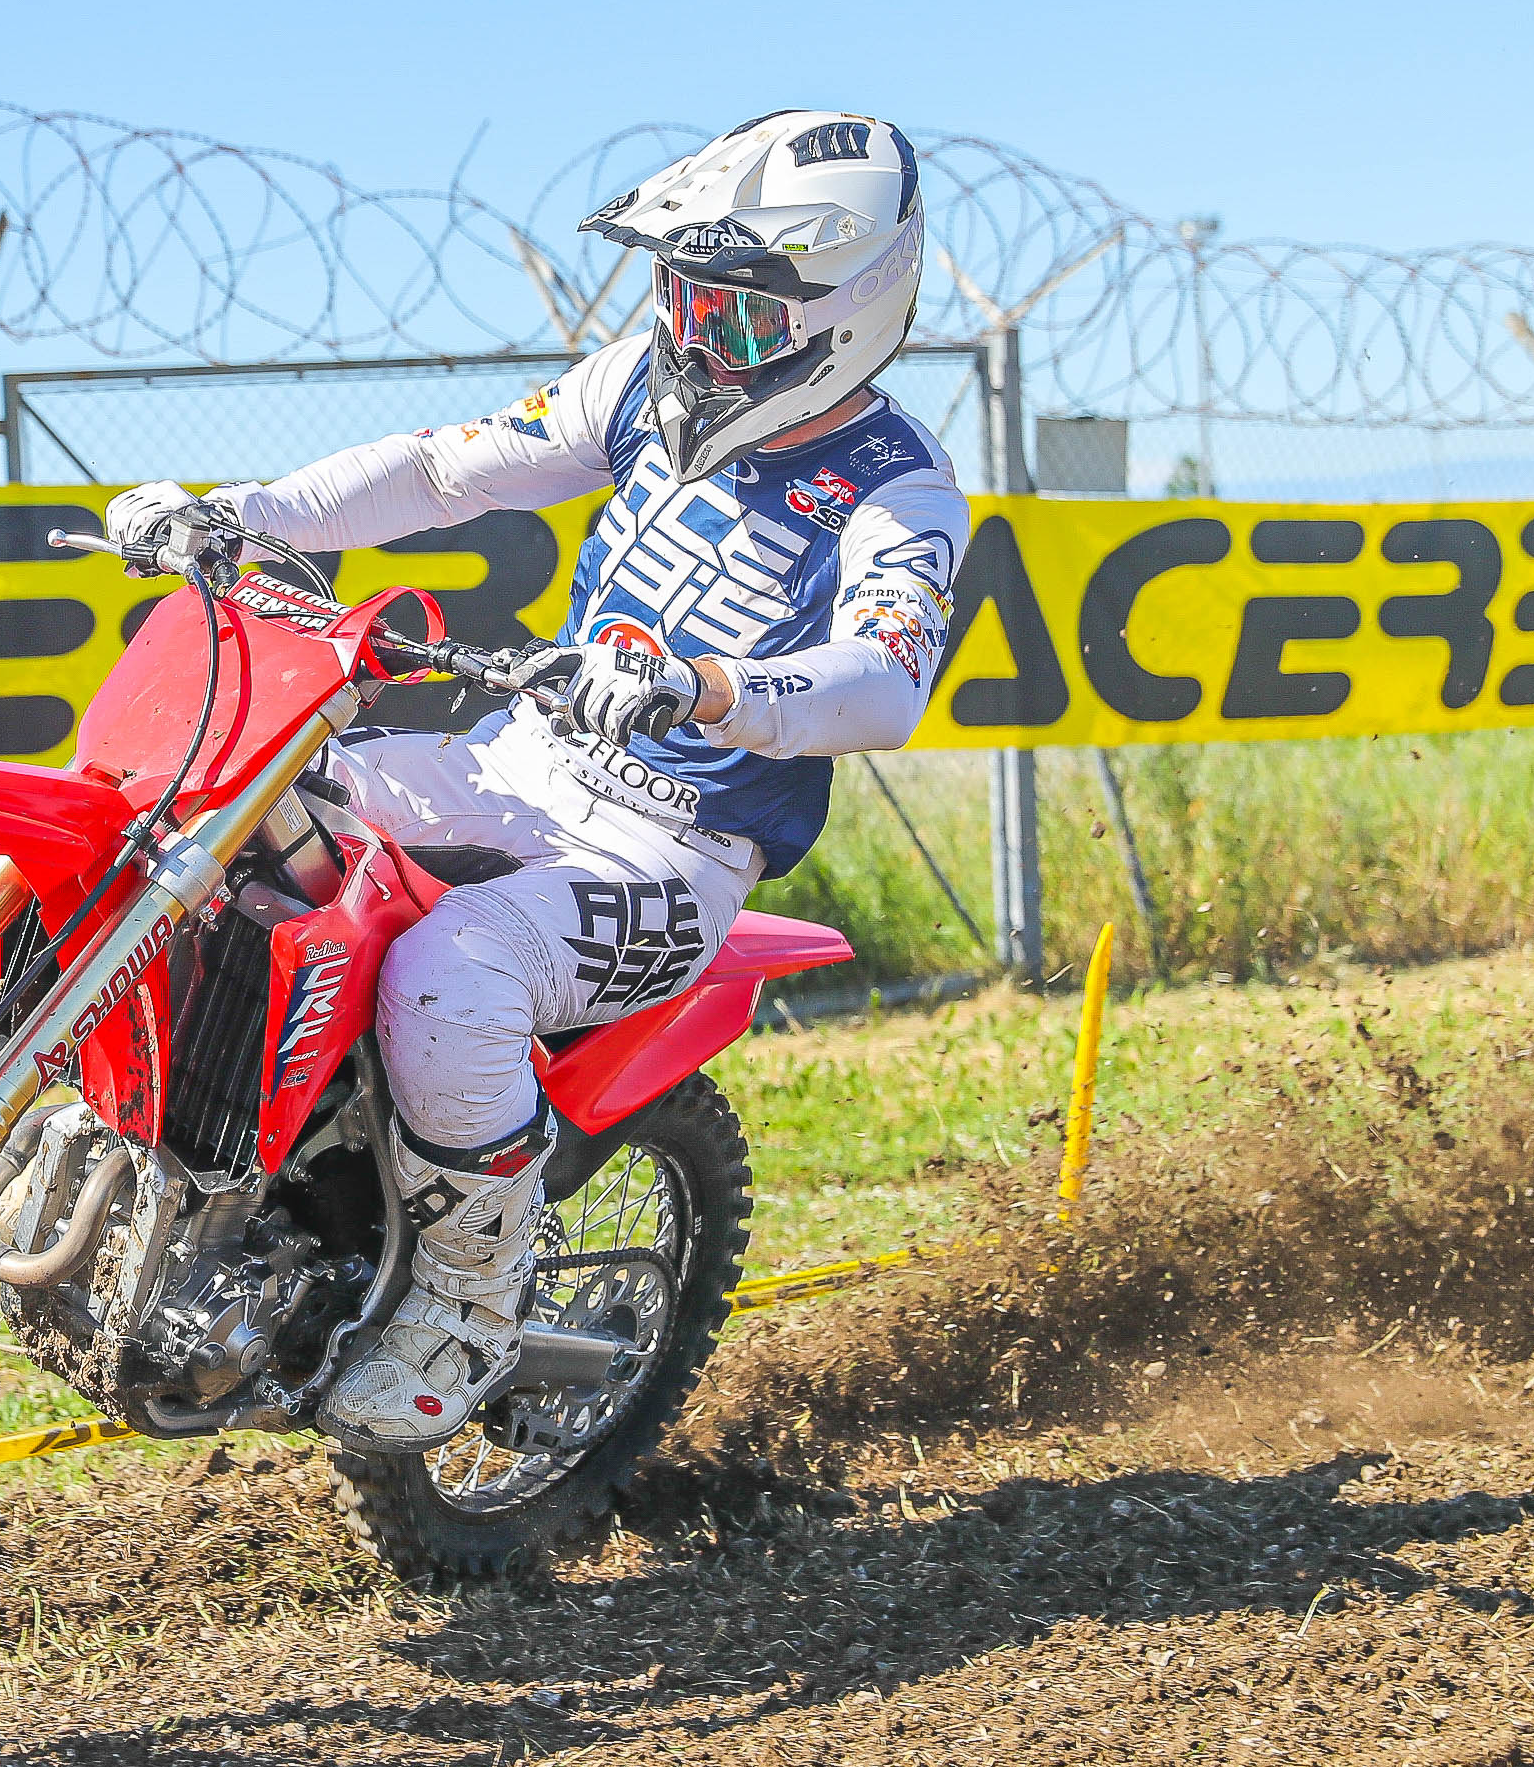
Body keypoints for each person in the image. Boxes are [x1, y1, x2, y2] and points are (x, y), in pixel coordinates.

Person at [107, 110, 972, 1452]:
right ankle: (214, 1176)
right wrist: (245, 514)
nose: (695, 337)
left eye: (736, 315)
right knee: (236, 815)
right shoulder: (638, 384)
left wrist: (708, 688)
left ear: (843, 315)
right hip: (515, 763)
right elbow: (442, 470)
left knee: (446, 977)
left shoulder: (898, 489)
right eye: (680, 296)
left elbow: (884, 678)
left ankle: (470, 1302)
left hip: (671, 848)